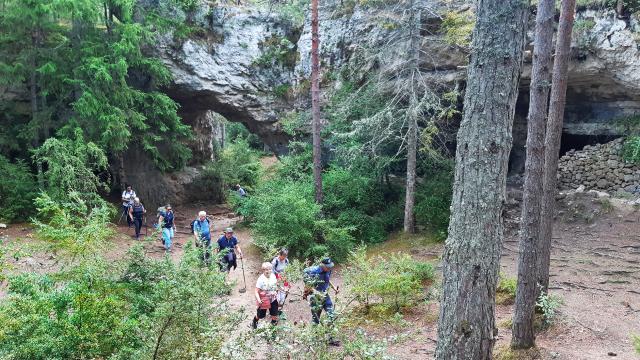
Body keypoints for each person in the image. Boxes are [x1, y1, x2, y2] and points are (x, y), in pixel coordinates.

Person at [303, 257, 339, 325]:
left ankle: (330, 332)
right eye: (327, 267)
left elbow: (327, 279)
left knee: (331, 314)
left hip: (325, 294)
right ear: (322, 265)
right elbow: (308, 284)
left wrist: (334, 287)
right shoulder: (313, 272)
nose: (329, 268)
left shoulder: (328, 270)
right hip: (315, 297)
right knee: (316, 318)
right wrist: (306, 292)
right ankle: (315, 334)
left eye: (330, 266)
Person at [251, 262, 279, 329]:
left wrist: (277, 291)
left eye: (269, 269)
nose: (268, 271)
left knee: (274, 314)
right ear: (263, 270)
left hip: (273, 299)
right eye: (266, 269)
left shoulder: (273, 276)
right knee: (260, 315)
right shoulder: (260, 279)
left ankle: (273, 327)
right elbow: (256, 291)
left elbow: (275, 286)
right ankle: (254, 321)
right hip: (263, 300)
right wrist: (259, 300)